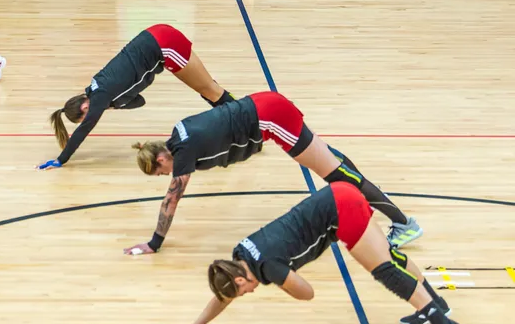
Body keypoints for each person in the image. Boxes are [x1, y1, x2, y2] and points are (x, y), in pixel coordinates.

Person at [160, 182, 466, 324]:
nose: (247, 294)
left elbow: (307, 293)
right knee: (391, 257)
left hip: (340, 210)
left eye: (242, 291)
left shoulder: (268, 268)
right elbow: (225, 295)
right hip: (334, 195)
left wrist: (282, 280)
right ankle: (436, 305)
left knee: (383, 269)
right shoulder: (240, 255)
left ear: (241, 279)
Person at [125, 91, 423, 254]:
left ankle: (404, 223)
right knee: (332, 165)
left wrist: (155, 243)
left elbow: (171, 200)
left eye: (161, 170)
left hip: (272, 118)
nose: (167, 175)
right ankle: (368, 190)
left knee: (335, 175)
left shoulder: (183, 153)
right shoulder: (177, 134)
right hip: (265, 106)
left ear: (162, 156)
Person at [39, 24, 233, 170]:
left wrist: (61, 160)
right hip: (156, 38)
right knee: (209, 88)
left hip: (164, 46)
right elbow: (139, 102)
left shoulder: (100, 96)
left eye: (85, 116)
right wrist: (114, 105)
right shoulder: (98, 88)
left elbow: (84, 130)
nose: (92, 117)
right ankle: (235, 122)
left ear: (84, 108)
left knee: (210, 89)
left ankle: (245, 122)